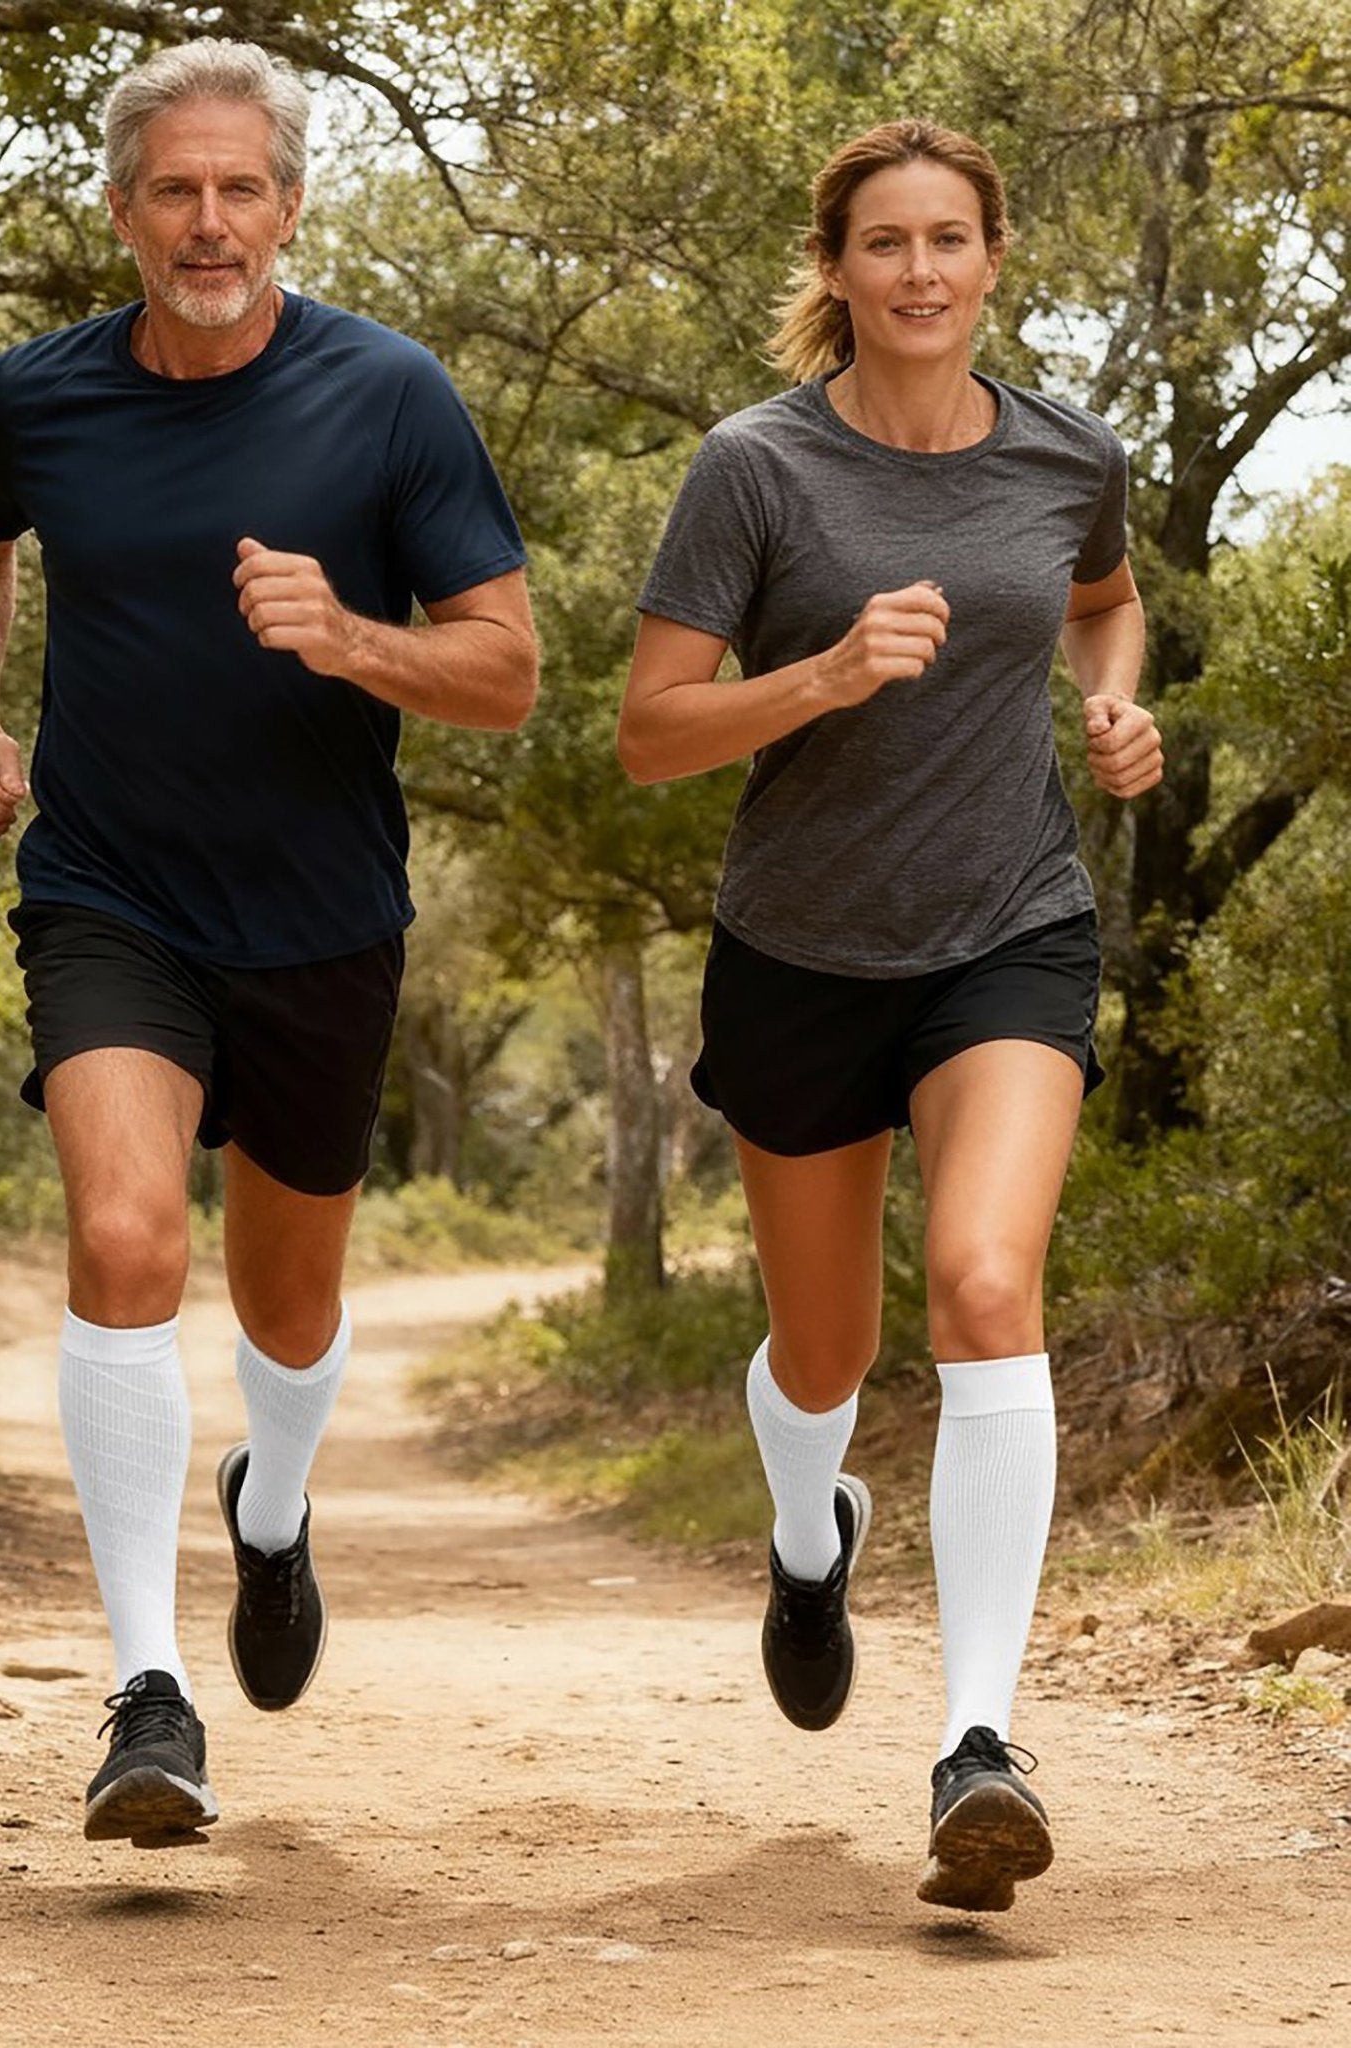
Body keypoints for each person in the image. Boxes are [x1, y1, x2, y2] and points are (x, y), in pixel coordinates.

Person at [0, 38, 536, 1850]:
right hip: (109, 889)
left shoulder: (391, 396)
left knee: (288, 1305)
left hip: (322, 917)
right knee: (121, 1237)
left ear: (286, 206)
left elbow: (503, 670)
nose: (209, 222)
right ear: (123, 212)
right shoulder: (39, 398)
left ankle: (273, 1515)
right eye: (175, 190)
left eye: (240, 188)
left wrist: (352, 638)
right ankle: (147, 1693)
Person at [619, 119, 1161, 1912]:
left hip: (1009, 928)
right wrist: (829, 674)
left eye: (950, 240)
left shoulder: (1069, 454)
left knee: (989, 1289)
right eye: (884, 244)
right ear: (835, 269)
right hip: (800, 952)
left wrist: (1110, 708)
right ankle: (809, 1526)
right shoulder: (755, 471)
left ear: (995, 256)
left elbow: (1105, 600)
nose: (920, 273)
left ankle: (979, 1742)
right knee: (830, 1355)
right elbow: (649, 733)